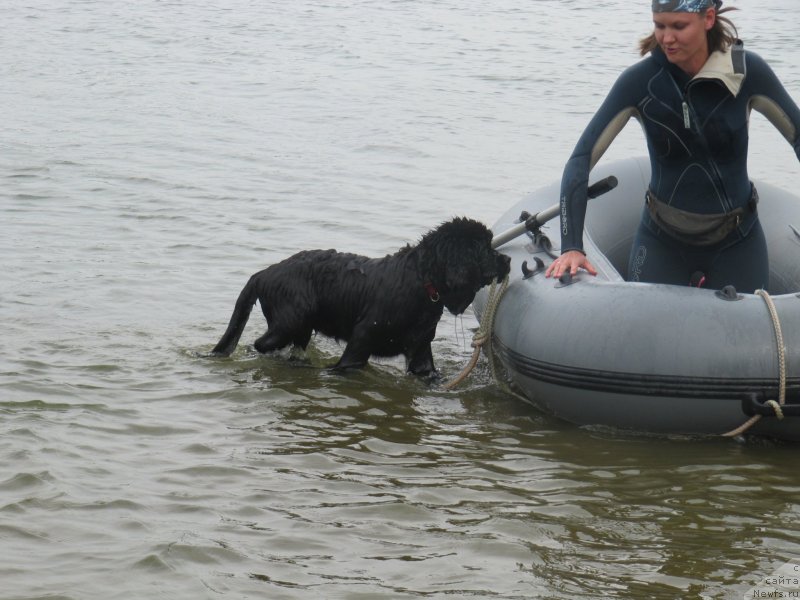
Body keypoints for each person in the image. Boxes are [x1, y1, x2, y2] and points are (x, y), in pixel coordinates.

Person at [545, 0, 800, 292]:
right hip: (661, 242)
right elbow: (581, 158)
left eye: (679, 26)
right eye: (660, 25)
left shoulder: (746, 73)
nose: (667, 38)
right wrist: (572, 246)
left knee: (752, 322)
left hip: (738, 242)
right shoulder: (641, 81)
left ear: (708, 18)